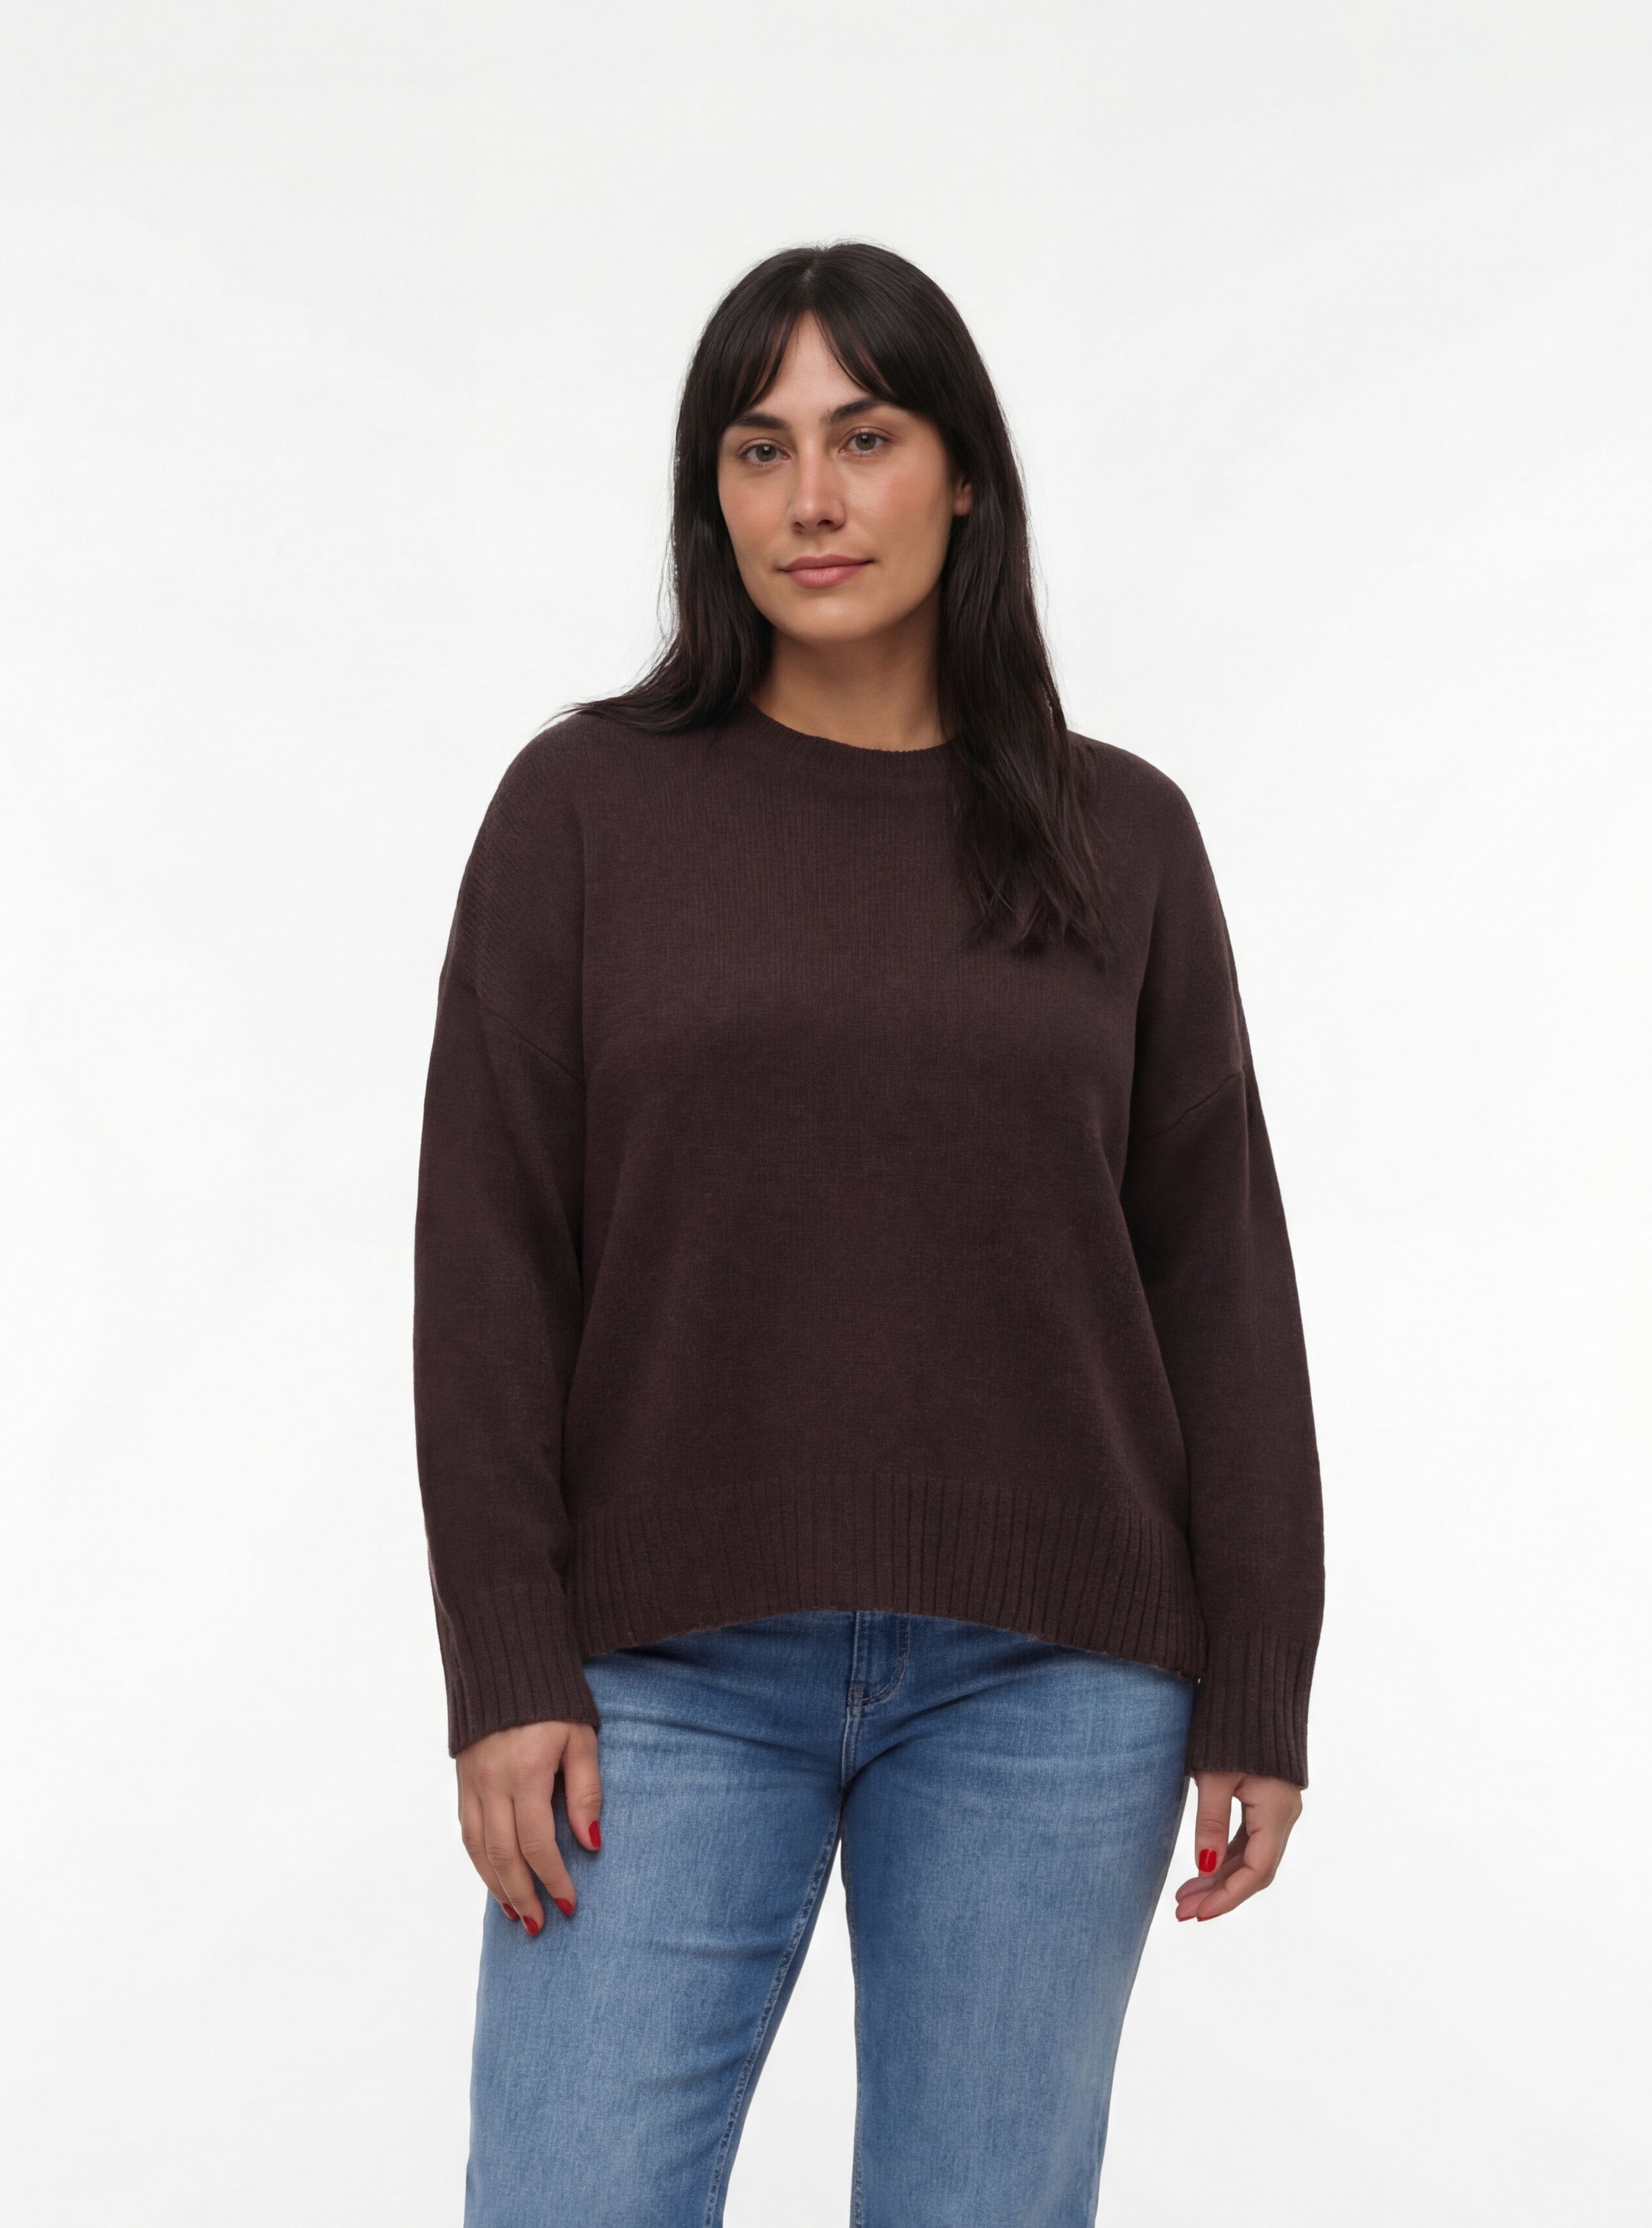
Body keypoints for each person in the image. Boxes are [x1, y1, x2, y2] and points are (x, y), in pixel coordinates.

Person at [412, 240, 1325, 2227]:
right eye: (759, 449)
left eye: (867, 437)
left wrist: (1261, 1674)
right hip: (656, 1678)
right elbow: (487, 1259)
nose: (811, 498)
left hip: (1055, 1681)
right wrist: (504, 1662)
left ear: (964, 475)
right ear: (712, 494)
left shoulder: (1125, 838)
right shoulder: (581, 812)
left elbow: (1220, 1281)